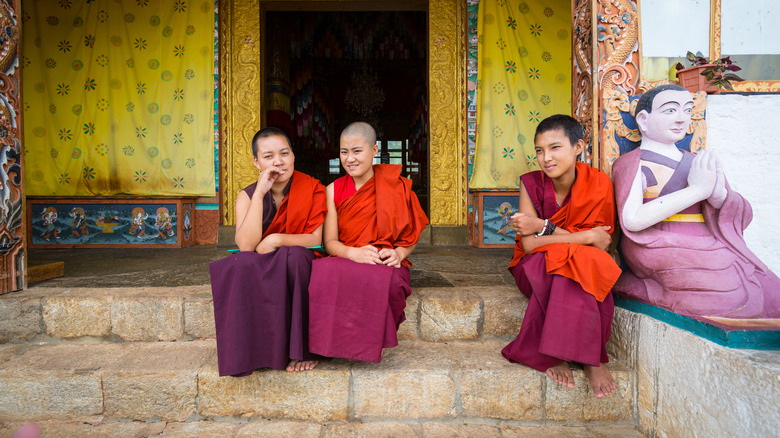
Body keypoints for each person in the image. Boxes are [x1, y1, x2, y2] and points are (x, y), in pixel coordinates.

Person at [611, 84, 780, 318]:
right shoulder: (632, 163)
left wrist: (719, 196)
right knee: (717, 291)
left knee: (766, 286)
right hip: (656, 243)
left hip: (710, 242)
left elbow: (737, 213)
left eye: (687, 111)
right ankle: (647, 288)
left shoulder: (696, 161)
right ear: (643, 119)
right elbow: (632, 220)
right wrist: (697, 191)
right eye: (670, 110)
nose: (681, 119)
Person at [501, 115, 621, 398]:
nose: (546, 158)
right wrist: (583, 236)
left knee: (582, 260)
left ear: (578, 146)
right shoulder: (530, 183)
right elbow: (530, 246)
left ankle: (585, 357)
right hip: (533, 267)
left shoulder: (599, 182)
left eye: (555, 148)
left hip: (579, 260)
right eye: (540, 151)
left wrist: (545, 228)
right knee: (565, 260)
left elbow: (601, 242)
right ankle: (583, 356)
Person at [208, 127, 327, 376]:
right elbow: (246, 246)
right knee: (240, 263)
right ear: (256, 161)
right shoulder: (247, 195)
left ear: (293, 156)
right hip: (261, 262)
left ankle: (300, 350)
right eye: (269, 156)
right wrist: (260, 192)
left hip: (297, 259)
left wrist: (275, 240)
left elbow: (314, 238)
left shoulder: (313, 188)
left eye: (284, 153)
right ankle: (254, 353)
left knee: (294, 257)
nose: (278, 162)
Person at [307, 122, 429, 363]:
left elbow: (411, 235)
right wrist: (354, 254)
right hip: (348, 255)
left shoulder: (398, 185)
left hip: (384, 258)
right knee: (323, 273)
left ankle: (364, 346)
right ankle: (330, 346)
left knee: (391, 282)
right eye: (344, 152)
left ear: (374, 151)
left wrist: (400, 254)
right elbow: (329, 242)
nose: (349, 159)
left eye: (357, 151)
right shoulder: (332, 190)